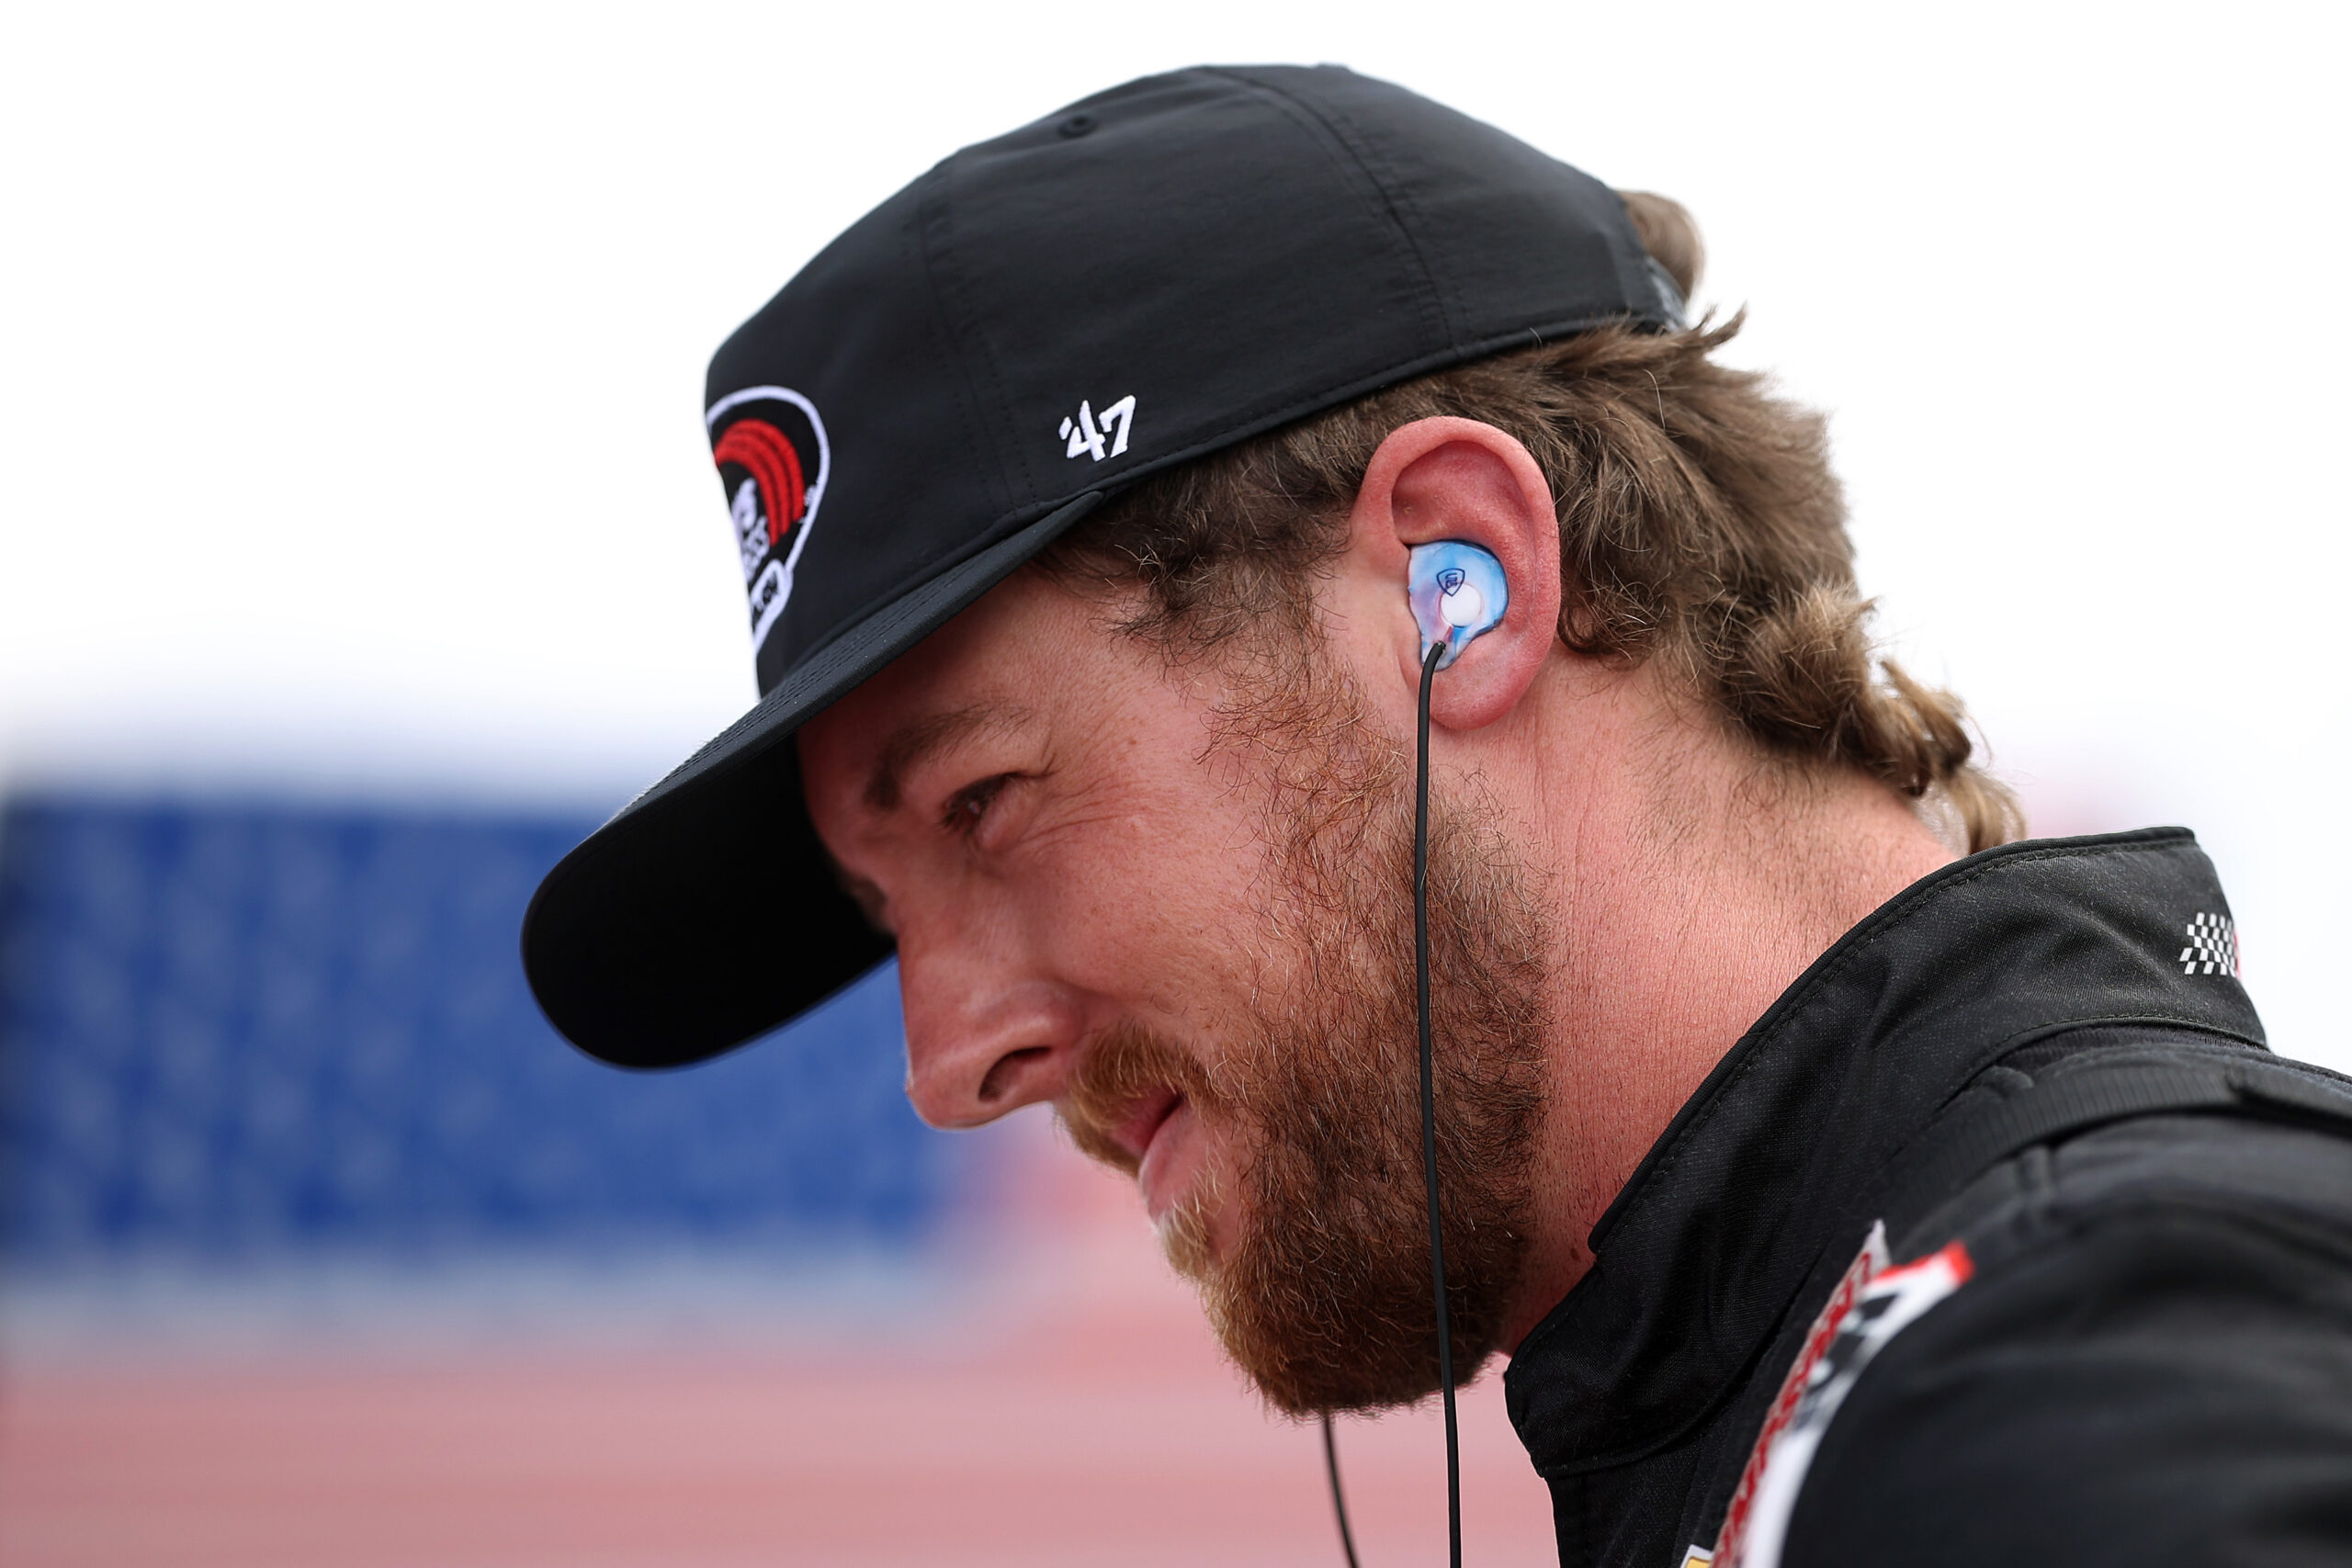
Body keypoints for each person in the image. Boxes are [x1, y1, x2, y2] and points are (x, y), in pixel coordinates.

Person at [522, 65, 2352, 1567]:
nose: (944, 1055)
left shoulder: (2042, 1377)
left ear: (1450, 578)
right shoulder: (1842, 1364)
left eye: (986, 800)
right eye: (882, 909)